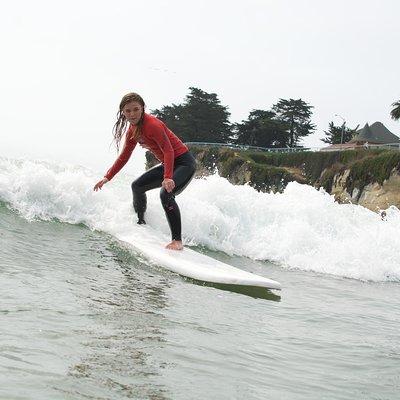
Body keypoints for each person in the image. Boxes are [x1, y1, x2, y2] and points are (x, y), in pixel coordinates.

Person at [94, 92, 196, 250]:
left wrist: (168, 177)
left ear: (142, 108)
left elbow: (168, 150)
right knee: (137, 186)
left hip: (184, 163)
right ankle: (140, 223)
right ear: (123, 112)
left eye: (136, 109)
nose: (132, 114)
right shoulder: (132, 131)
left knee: (166, 193)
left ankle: (177, 241)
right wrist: (107, 177)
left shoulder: (152, 125)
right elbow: (124, 157)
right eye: (128, 111)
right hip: (169, 164)